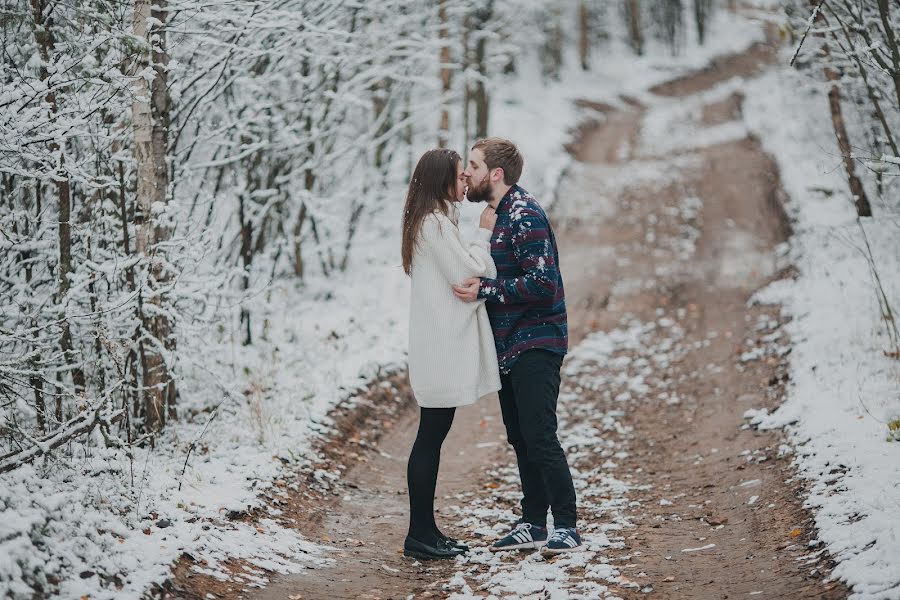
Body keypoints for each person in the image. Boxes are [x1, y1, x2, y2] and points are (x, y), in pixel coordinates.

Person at [453, 138, 583, 555]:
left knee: (540, 436)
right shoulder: (499, 215)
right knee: (521, 437)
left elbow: (543, 285)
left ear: (496, 173)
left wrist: (485, 290)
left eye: (473, 165)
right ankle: (533, 523)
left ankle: (566, 526)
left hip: (537, 341)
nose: (466, 173)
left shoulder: (525, 215)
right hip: (508, 345)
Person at [401, 148, 501, 560]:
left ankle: (426, 531)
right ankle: (419, 535)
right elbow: (469, 274)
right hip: (438, 353)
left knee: (432, 438)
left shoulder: (433, 222)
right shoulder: (434, 225)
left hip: (434, 350)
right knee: (429, 439)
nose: (465, 182)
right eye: (460, 176)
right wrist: (483, 233)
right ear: (443, 180)